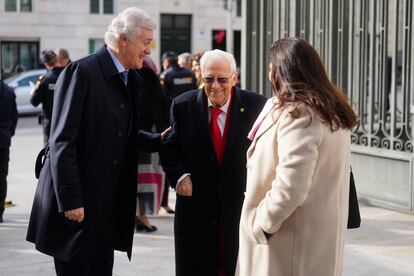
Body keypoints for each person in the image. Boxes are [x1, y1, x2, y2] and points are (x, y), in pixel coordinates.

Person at [26, 7, 170, 276]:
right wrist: (70, 200)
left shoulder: (127, 77)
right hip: (77, 205)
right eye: (146, 42)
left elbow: (116, 131)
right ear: (123, 39)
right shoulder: (82, 71)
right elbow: (61, 141)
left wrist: (155, 140)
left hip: (105, 205)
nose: (149, 50)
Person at [236, 38, 358, 276]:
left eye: (272, 66)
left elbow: (292, 186)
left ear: (282, 70)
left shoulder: (301, 114)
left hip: (289, 245)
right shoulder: (327, 110)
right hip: (308, 239)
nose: (269, 71)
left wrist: (262, 224)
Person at [160, 49, 267, 276]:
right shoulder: (182, 105)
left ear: (234, 78)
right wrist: (180, 175)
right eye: (209, 79)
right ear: (201, 77)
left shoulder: (257, 106)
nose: (215, 86)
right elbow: (170, 148)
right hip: (195, 210)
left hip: (239, 207)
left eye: (222, 79)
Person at [135, 56, 170, 232]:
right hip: (146, 137)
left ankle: (137, 217)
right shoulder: (149, 79)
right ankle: (142, 217)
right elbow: (159, 109)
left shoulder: (122, 76)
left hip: (125, 137)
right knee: (143, 181)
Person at [30, 50, 64, 146]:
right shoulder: (67, 75)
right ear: (57, 60)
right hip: (66, 120)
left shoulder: (44, 79)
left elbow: (34, 102)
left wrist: (33, 92)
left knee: (48, 150)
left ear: (46, 64)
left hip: (49, 122)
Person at [0, 80, 18, 223]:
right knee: (2, 177)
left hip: (4, 137)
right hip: (3, 139)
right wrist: (9, 132)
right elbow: (14, 116)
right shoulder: (9, 91)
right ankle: (0, 212)